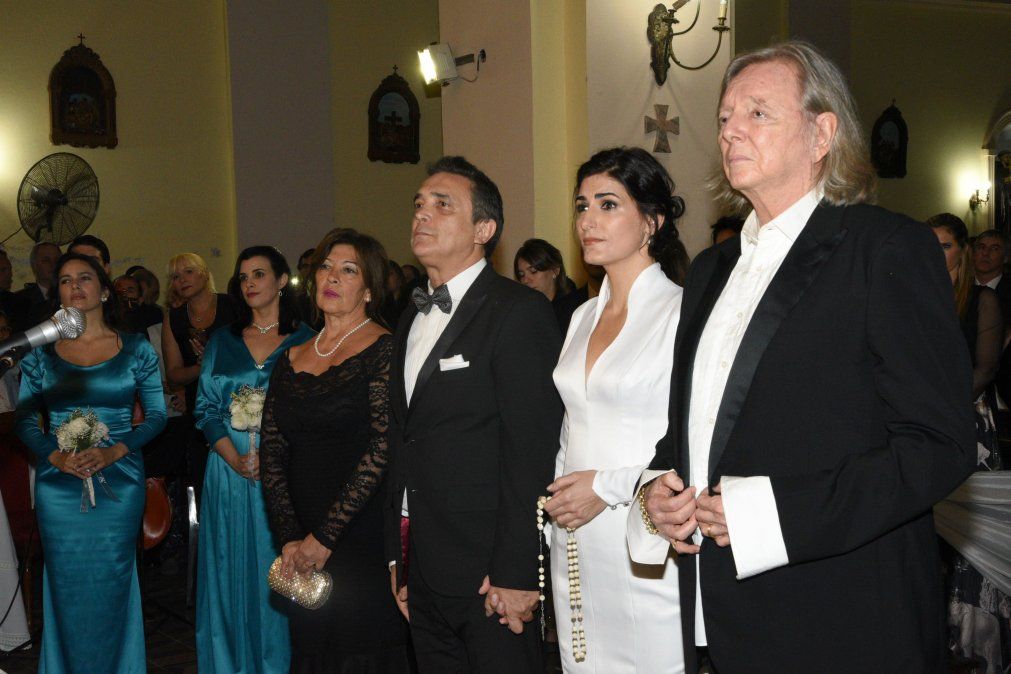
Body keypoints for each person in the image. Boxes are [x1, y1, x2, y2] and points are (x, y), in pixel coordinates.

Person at [629, 41, 975, 674]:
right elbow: (697, 428)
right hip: (720, 616)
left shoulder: (884, 249)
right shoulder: (709, 270)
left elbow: (938, 445)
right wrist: (656, 491)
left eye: (757, 113)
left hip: (841, 614)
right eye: (725, 116)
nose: (730, 129)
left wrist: (772, 515)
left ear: (822, 135)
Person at [384, 156, 563, 673]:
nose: (422, 214)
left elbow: (532, 450)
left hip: (491, 574)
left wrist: (520, 570)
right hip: (423, 567)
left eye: (443, 205)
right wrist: (398, 557)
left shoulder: (518, 310)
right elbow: (402, 442)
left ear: (484, 229)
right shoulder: (409, 317)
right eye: (419, 204)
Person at [543, 147, 686, 672]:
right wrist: (556, 511)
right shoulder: (582, 315)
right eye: (582, 206)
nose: (587, 221)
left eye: (607, 204)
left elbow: (690, 441)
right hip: (575, 538)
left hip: (644, 534)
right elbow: (570, 424)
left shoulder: (681, 313)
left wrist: (604, 487)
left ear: (652, 220)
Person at [261, 228, 407, 672]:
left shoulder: (385, 349)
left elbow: (382, 450)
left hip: (361, 533)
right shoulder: (291, 356)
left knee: (360, 651)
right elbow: (272, 450)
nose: (332, 277)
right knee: (312, 649)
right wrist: (290, 535)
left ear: (369, 289)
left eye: (348, 270)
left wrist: (325, 537)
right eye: (325, 267)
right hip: (300, 533)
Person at [15, 252, 167, 672]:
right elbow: (24, 420)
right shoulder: (41, 355)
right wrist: (55, 455)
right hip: (58, 483)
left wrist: (114, 450)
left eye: (84, 278)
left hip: (119, 479)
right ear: (58, 294)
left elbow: (157, 416)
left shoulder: (135, 349)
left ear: (103, 290)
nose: (75, 286)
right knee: (65, 585)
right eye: (65, 280)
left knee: (113, 581)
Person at [194, 246, 313, 673]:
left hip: (284, 474)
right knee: (227, 570)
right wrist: (234, 458)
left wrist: (274, 456)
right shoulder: (222, 341)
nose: (249, 284)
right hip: (228, 473)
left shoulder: (308, 340)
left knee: (276, 568)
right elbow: (206, 409)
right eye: (243, 277)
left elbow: (315, 411)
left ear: (281, 281)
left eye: (259, 274)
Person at [928, 214, 1008, 672]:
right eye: (930, 246)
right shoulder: (918, 295)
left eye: (944, 246)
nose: (936, 254)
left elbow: (986, 369)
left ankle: (973, 645)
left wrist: (940, 406)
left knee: (968, 540)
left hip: (968, 422)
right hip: (925, 424)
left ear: (962, 249)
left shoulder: (982, 300)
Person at [162, 253, 238, 500]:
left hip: (239, 405)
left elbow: (253, 358)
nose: (182, 280)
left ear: (204, 274)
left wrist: (216, 360)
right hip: (200, 411)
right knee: (205, 484)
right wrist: (202, 366)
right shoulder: (174, 318)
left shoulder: (233, 305)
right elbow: (174, 376)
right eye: (175, 277)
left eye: (188, 272)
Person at [513, 238, 582, 334]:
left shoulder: (576, 310)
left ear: (555, 270)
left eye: (533, 271)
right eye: (521, 275)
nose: (525, 280)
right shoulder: (521, 312)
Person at [13, 241, 60, 330]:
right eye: (46, 260)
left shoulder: (72, 293)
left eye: (57, 260)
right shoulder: (20, 301)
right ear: (34, 265)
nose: (53, 264)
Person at [972, 229, 1011, 337]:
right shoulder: (959, 287)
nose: (985, 253)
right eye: (981, 247)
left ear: (1006, 258)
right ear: (973, 254)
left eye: (994, 249)